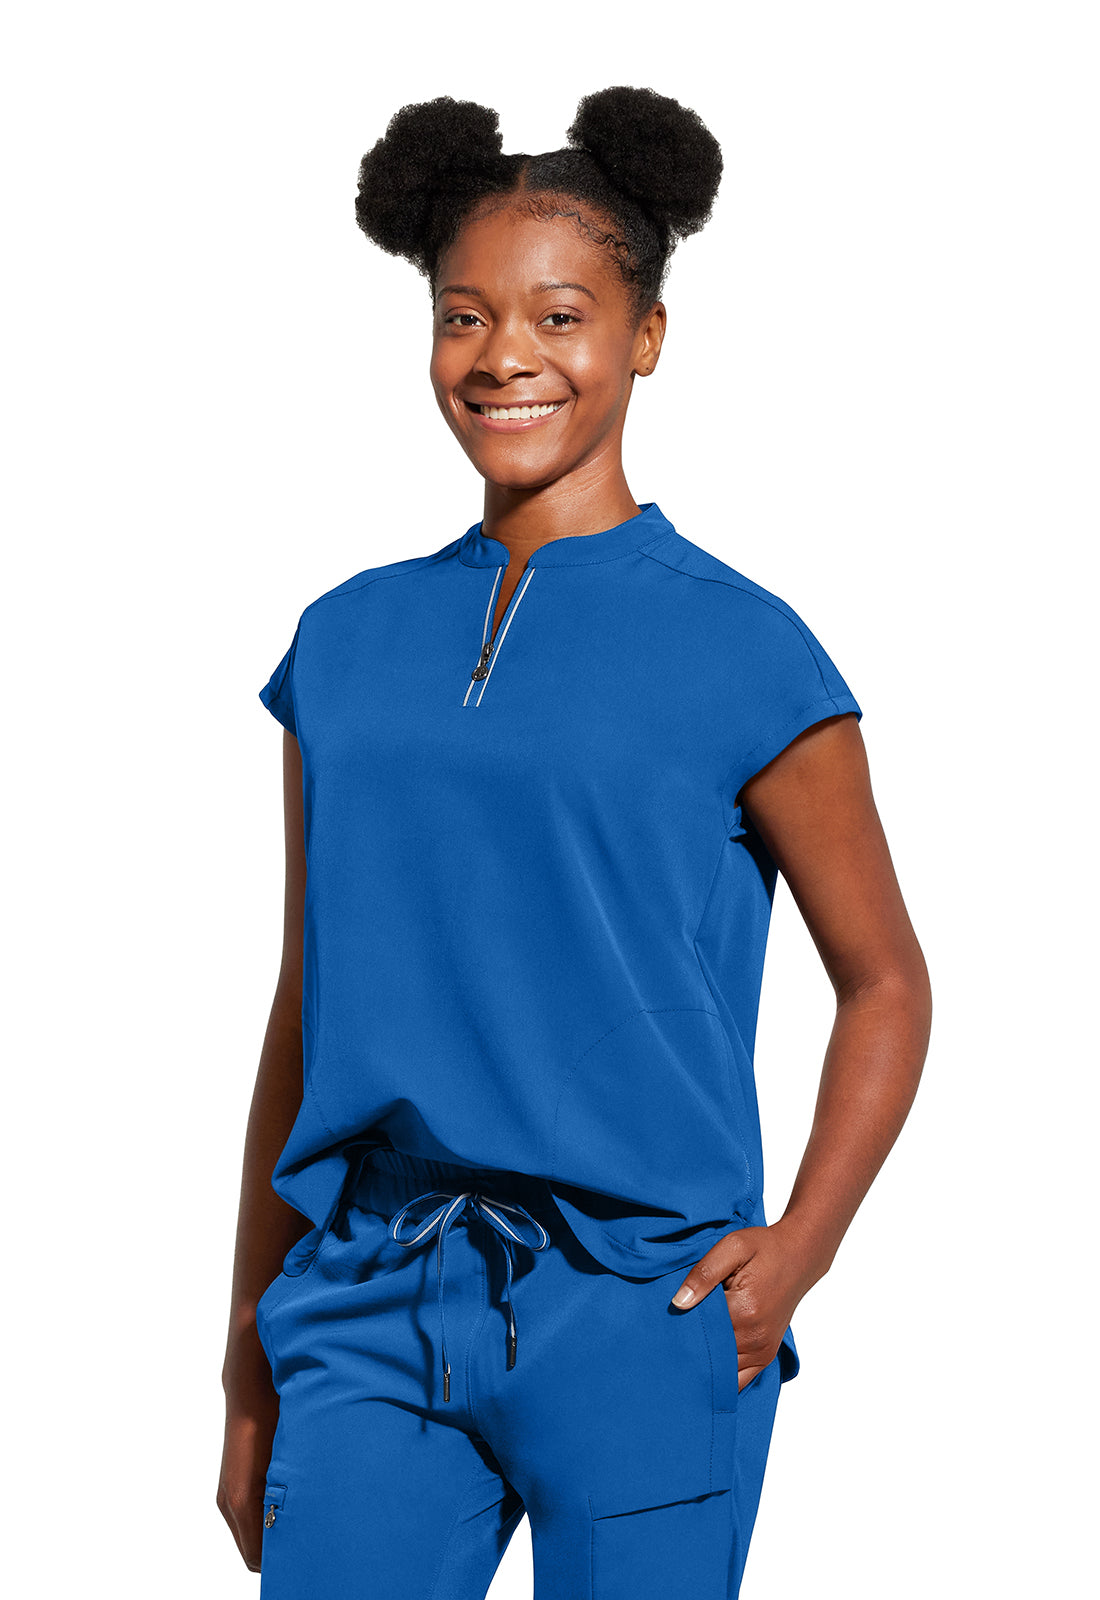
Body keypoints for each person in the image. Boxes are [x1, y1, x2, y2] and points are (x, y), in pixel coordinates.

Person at [217, 87, 932, 1599]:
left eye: (559, 315)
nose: (505, 356)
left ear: (645, 336)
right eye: (464, 317)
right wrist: (245, 1354)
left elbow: (886, 980)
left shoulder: (747, 652)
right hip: (368, 1300)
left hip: (644, 1309)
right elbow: (306, 999)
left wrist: (801, 1247)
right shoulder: (343, 645)